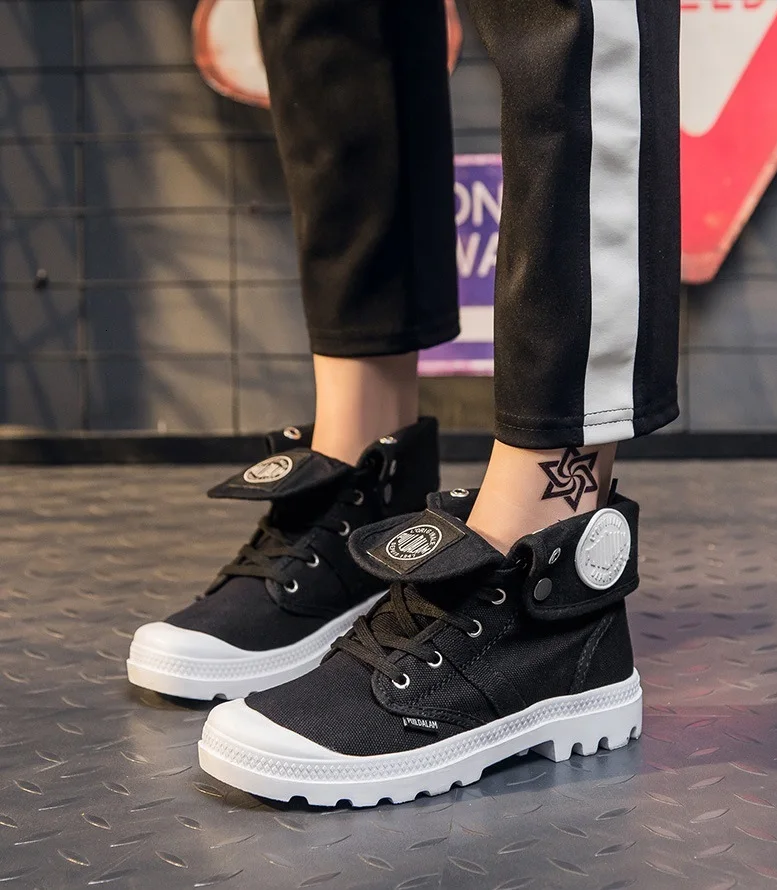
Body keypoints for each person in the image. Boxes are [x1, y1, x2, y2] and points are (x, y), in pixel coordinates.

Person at [127, 0, 680, 806]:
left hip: (551, 548)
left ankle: (546, 561)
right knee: (331, 18)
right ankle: (361, 460)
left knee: (560, 17)